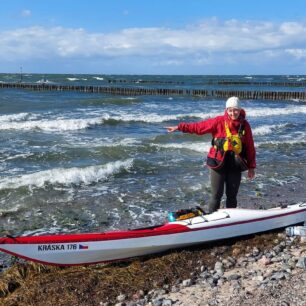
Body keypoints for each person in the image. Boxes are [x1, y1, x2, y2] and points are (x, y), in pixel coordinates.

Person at [166, 96, 256, 213]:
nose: (233, 113)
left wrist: (251, 167)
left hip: (235, 164)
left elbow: (250, 146)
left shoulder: (245, 125)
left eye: (236, 110)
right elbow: (199, 127)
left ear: (240, 110)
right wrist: (180, 127)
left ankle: (230, 222)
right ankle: (211, 220)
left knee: (232, 196)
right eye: (230, 110)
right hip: (217, 163)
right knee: (216, 195)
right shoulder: (218, 121)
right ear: (226, 110)